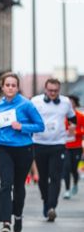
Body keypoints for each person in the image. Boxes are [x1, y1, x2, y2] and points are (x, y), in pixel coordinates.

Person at [0, 72, 44, 232]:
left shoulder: (26, 104)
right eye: (7, 85)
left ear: (18, 88)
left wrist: (22, 127)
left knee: (19, 185)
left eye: (13, 85)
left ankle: (18, 215)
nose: (10, 88)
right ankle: (5, 222)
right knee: (6, 184)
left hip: (24, 149)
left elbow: (40, 126)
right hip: (4, 148)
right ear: (2, 87)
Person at [31, 78, 76, 221]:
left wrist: (72, 127)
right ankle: (46, 201)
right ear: (45, 89)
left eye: (55, 91)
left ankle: (52, 207)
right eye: (50, 90)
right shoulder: (35, 101)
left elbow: (73, 118)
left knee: (56, 177)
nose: (52, 93)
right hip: (39, 143)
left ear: (59, 90)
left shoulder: (65, 102)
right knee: (43, 178)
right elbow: (28, 118)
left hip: (58, 144)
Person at [63, 95, 84, 199]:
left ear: (75, 104)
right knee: (66, 167)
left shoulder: (80, 116)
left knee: (74, 168)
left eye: (72, 102)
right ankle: (67, 190)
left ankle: (75, 183)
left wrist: (76, 132)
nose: (70, 104)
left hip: (76, 146)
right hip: (65, 146)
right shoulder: (63, 116)